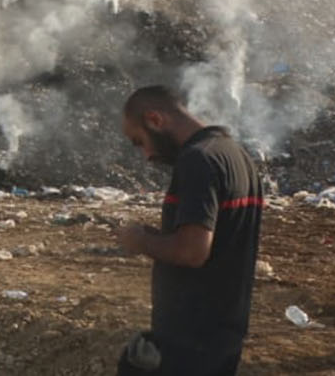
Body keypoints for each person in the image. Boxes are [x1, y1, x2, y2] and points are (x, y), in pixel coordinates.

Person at [113, 85, 265, 376]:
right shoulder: (236, 155)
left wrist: (139, 240)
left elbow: (192, 251)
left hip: (188, 339)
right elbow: (220, 240)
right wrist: (159, 236)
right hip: (222, 334)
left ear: (155, 120)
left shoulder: (198, 160)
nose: (145, 154)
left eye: (139, 141)